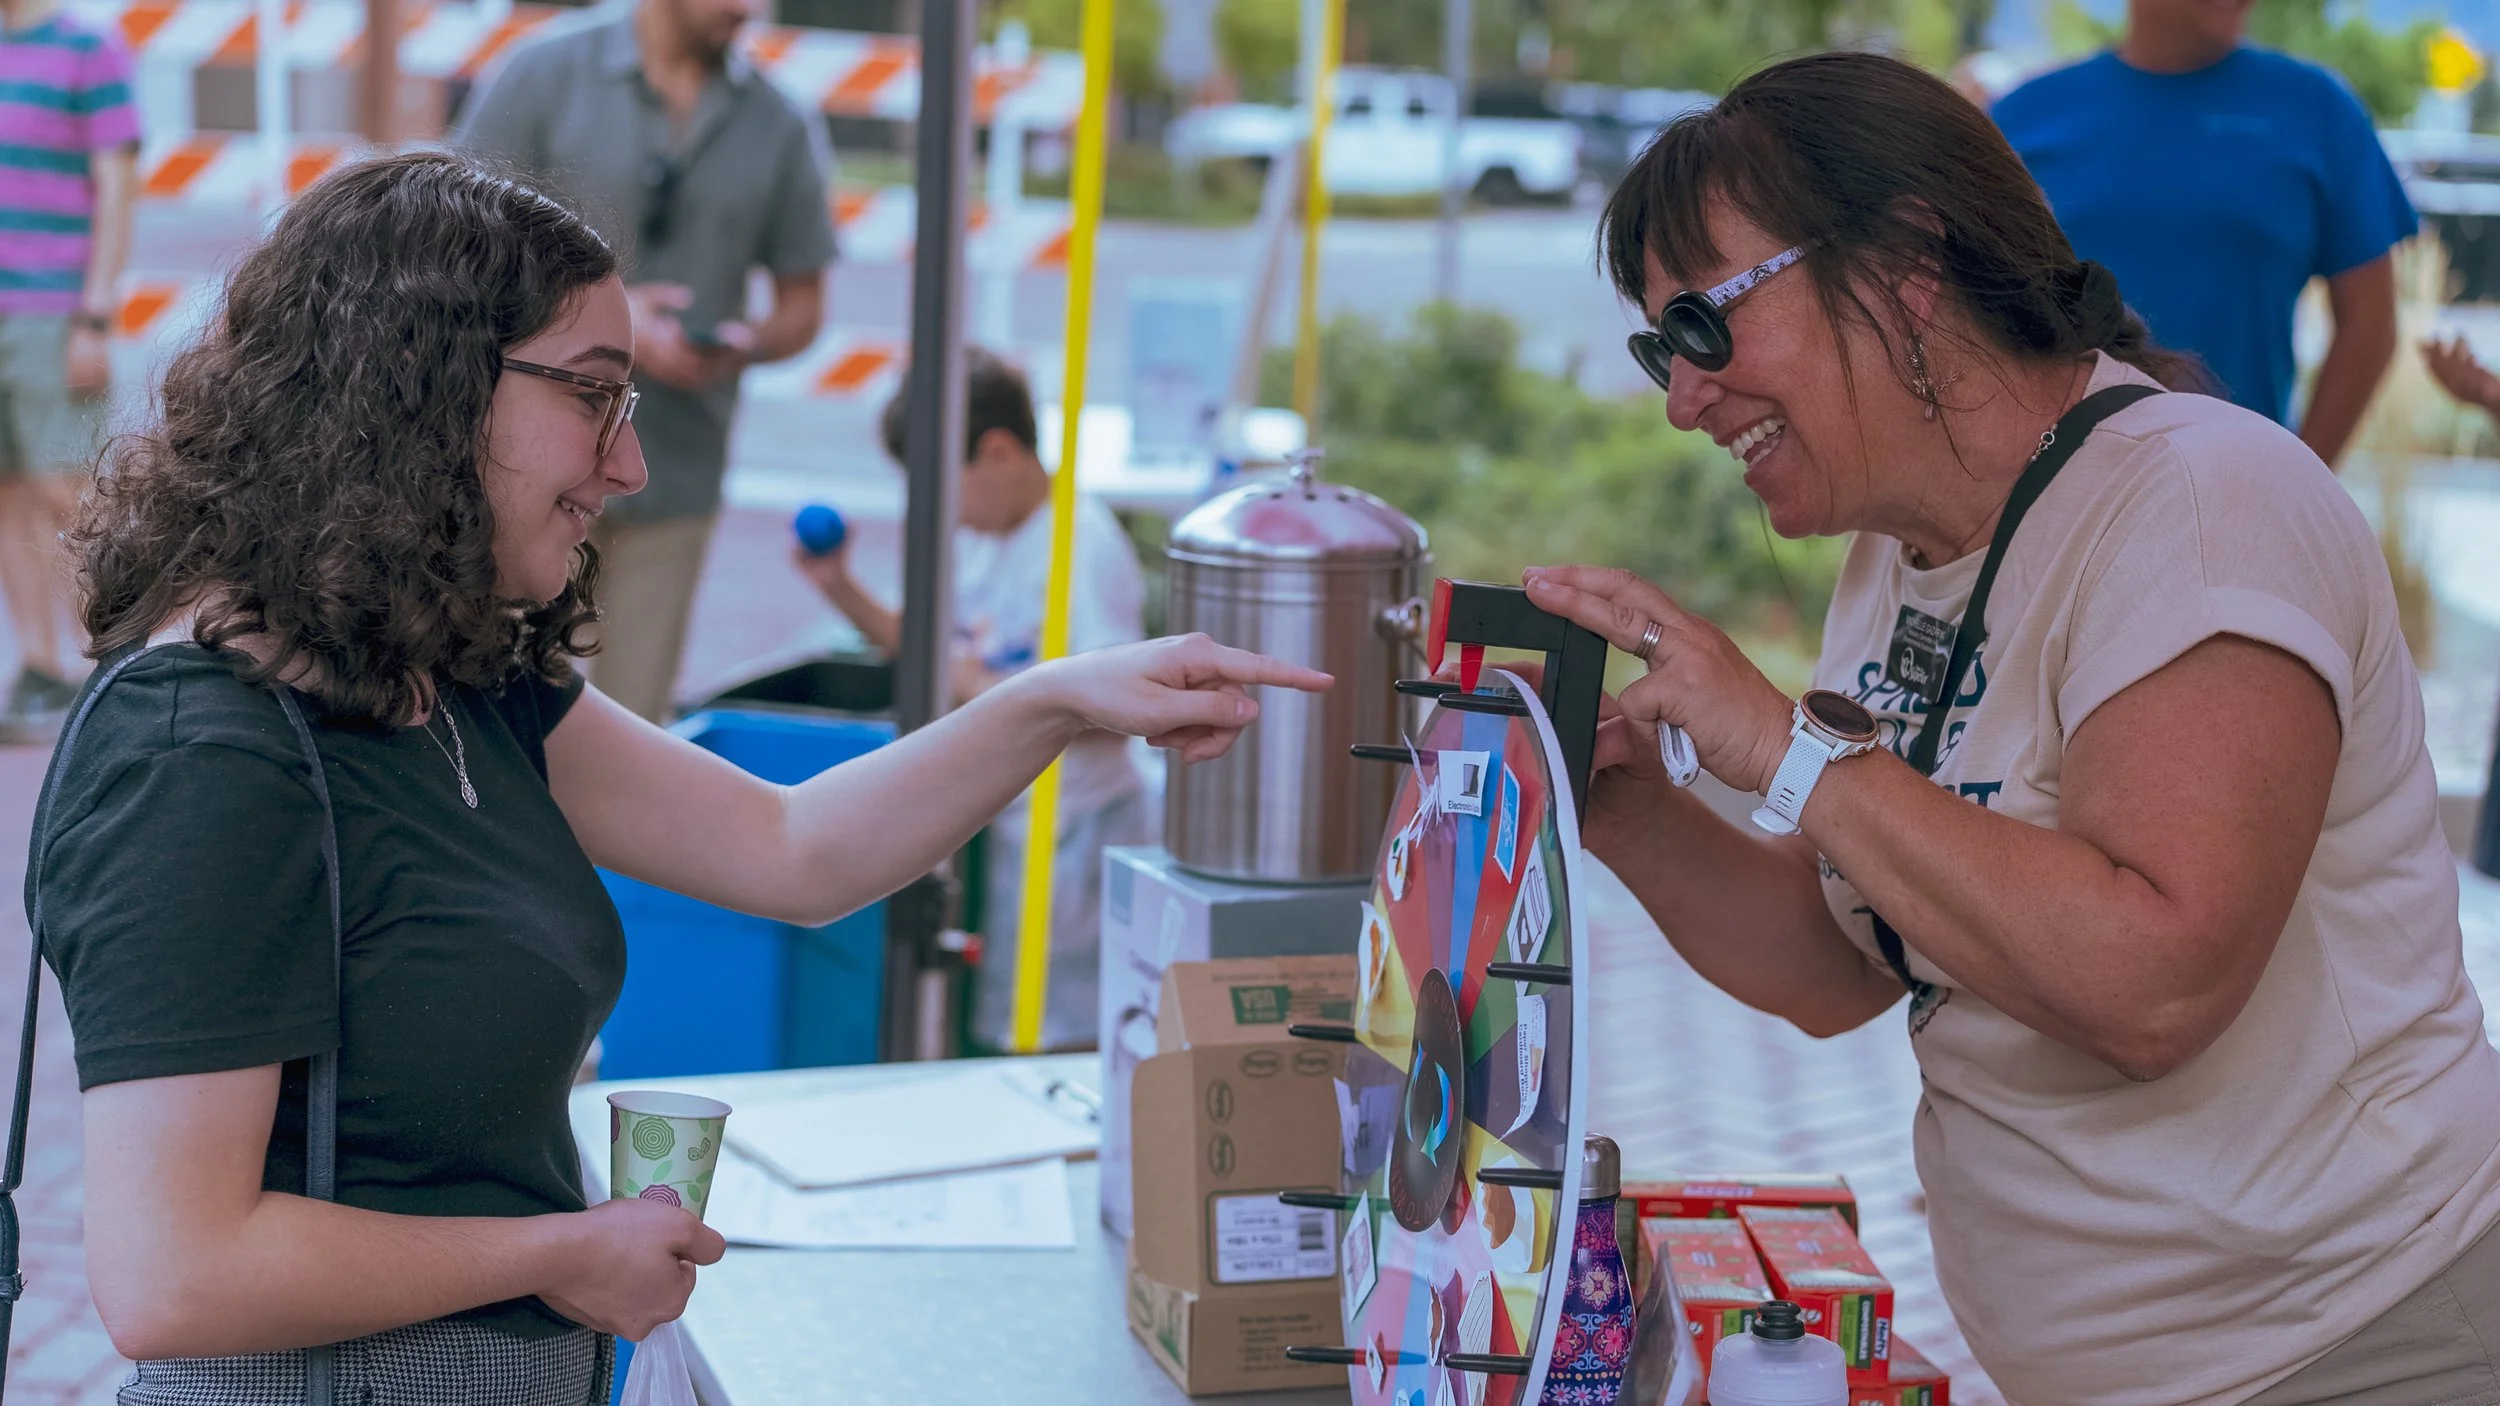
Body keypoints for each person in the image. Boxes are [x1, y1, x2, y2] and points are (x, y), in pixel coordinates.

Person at [43, 153, 1326, 1403]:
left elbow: (791, 846)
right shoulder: (202, 753)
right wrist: (556, 1252)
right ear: (418, 384)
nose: (629, 465)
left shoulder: (450, 670)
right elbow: (176, 1273)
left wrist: (1054, 699)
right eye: (593, 396)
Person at [1546, 52, 2500, 1405]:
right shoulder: (1900, 557)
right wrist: (1622, 802)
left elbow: (2153, 985)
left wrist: (1787, 746)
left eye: (1702, 325)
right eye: (1660, 349)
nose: (1680, 397)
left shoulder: (2200, 503)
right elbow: (1848, 956)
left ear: (1904, 265)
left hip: (2360, 1343)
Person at [455, 0, 835, 722]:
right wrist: (613, 321)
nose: (748, 9)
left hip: (675, 472)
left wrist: (741, 345)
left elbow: (803, 308)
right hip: (517, 470)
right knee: (491, 711)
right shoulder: (542, 75)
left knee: (633, 722)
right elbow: (454, 240)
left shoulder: (780, 123)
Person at [795, 348, 1148, 1051]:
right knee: (995, 1014)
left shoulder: (1080, 549)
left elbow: (1117, 710)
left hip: (1070, 831)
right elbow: (929, 643)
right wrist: (839, 587)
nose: (938, 507)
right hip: (1001, 824)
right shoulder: (983, 538)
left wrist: (987, 695)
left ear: (999, 453)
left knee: (1058, 1027)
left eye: (942, 483)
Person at [1992, 0, 2414, 468]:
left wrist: (2296, 478)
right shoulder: (2021, 118)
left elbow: (2370, 322)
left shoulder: (2318, 111)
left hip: (2238, 481)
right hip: (2048, 487)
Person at [0, 0, 136, 742]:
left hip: (52, 309)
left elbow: (117, 186)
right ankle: (40, 667)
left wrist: (95, 316)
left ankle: (114, 663)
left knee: (67, 492)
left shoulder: (88, 50)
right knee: (8, 492)